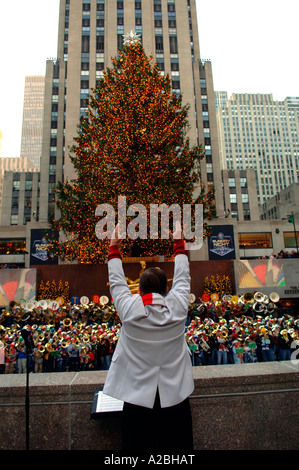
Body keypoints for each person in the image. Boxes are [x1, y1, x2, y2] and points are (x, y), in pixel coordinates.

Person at [103, 222, 194, 452]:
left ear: (139, 291)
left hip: (136, 401)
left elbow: (116, 281)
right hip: (175, 400)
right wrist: (178, 243)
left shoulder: (128, 309)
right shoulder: (179, 306)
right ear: (166, 291)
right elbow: (183, 277)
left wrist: (114, 245)